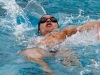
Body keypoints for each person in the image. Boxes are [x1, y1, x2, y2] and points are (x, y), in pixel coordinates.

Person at [18, 14, 100, 75]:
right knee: (29, 52)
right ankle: (50, 72)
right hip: (43, 52)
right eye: (43, 20)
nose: (49, 20)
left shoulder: (64, 33)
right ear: (39, 30)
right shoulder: (34, 40)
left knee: (67, 53)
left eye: (53, 19)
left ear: (57, 26)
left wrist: (97, 23)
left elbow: (81, 28)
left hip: (62, 49)